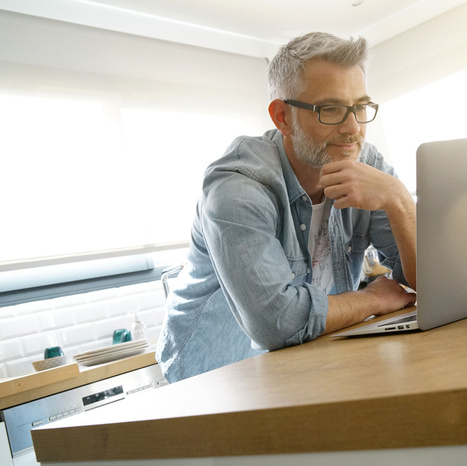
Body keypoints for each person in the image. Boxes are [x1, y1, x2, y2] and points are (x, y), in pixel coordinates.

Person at [156, 32, 417, 383]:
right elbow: (277, 323)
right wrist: (373, 299)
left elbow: (430, 281)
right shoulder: (237, 187)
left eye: (359, 107)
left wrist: (399, 199)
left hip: (304, 364)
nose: (353, 128)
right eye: (331, 109)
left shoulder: (365, 164)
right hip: (215, 374)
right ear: (281, 117)